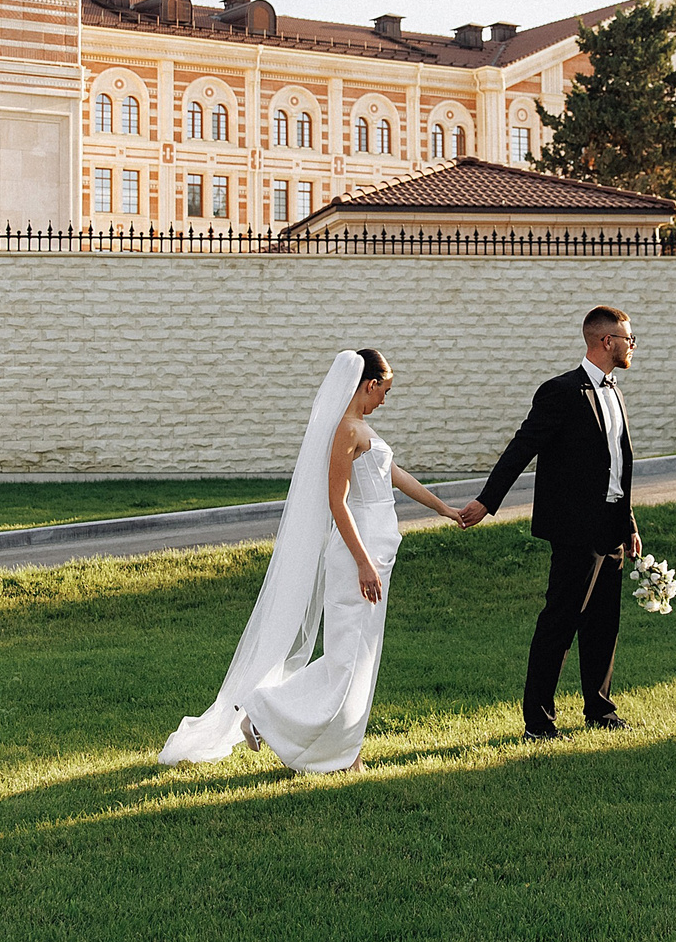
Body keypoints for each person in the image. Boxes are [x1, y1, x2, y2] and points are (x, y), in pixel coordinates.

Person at [159, 348, 467, 774]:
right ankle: (266, 712)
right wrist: (362, 562)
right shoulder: (345, 430)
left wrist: (443, 509)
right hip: (359, 558)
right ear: (369, 384)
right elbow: (336, 502)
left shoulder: (364, 429)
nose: (385, 400)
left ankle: (341, 748)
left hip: (379, 552)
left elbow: (395, 476)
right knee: (346, 659)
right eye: (385, 391)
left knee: (362, 659)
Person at [457, 306, 642, 740]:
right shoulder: (561, 391)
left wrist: (629, 523)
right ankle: (538, 723)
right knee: (560, 623)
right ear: (604, 342)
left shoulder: (615, 392)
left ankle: (600, 709)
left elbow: (618, 465)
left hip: (612, 526)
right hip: (575, 530)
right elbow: (523, 447)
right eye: (627, 338)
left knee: (604, 624)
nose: (632, 345)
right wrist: (488, 501)